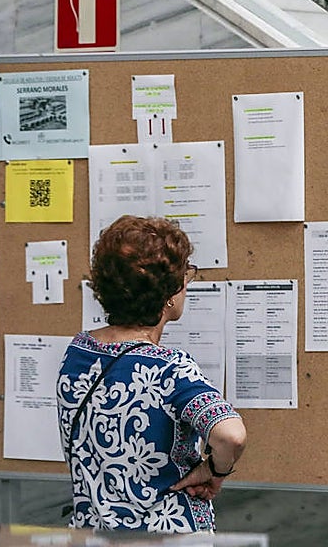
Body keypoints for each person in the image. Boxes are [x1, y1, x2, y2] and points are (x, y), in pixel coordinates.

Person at [56, 215, 246, 531]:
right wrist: (214, 470)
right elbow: (231, 435)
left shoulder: (78, 351)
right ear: (168, 293)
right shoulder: (170, 369)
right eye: (185, 274)